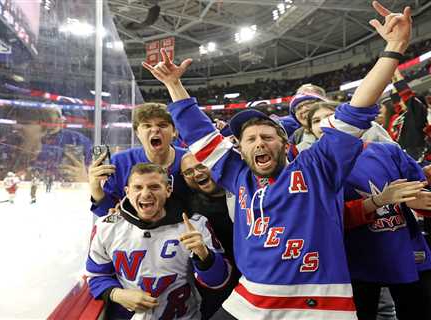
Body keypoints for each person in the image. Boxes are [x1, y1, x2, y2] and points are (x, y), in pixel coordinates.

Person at [142, 2, 412, 318]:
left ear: (284, 142)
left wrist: (393, 48)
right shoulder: (235, 174)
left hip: (316, 304)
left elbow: (357, 109)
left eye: (267, 136)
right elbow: (199, 132)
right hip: (249, 297)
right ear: (239, 149)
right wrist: (174, 84)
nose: (259, 143)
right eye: (251, 139)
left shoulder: (317, 168)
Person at [306, 102, 431, 320]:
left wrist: (416, 200)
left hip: (406, 250)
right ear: (309, 130)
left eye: (332, 116)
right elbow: (325, 219)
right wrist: (378, 201)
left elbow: (421, 195)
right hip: (355, 259)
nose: (325, 123)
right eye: (316, 121)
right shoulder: (311, 170)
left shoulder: (389, 151)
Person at [86, 163, 231, 320]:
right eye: (138, 187)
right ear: (127, 192)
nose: (146, 193)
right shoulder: (106, 227)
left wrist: (205, 257)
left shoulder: (195, 225)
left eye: (154, 187)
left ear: (168, 190)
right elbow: (96, 276)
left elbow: (219, 282)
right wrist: (117, 294)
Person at [88, 103, 190, 217]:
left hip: (183, 230)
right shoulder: (120, 163)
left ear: (174, 131)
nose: (155, 129)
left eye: (162, 125)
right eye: (147, 126)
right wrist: (95, 187)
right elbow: (108, 213)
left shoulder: (190, 160)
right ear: (137, 133)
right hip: (134, 232)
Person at [181, 152, 240, 319]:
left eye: (201, 166)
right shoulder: (185, 207)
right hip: (216, 291)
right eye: (189, 172)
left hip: (255, 281)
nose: (197, 173)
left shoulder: (248, 192)